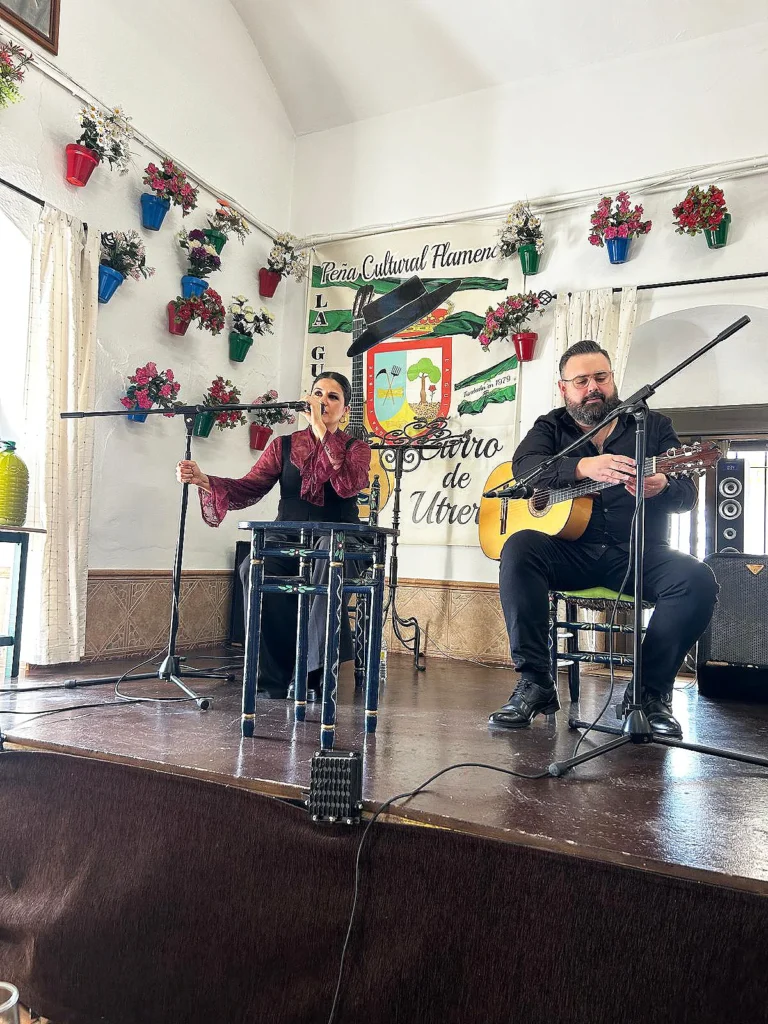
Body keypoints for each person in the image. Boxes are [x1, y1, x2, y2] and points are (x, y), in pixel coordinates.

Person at [490, 340, 718, 738]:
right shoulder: (550, 427)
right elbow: (524, 471)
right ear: (564, 388)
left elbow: (687, 496)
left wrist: (663, 485)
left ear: (612, 379)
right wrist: (582, 466)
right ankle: (536, 683)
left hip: (639, 553)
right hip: (571, 553)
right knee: (519, 548)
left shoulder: (653, 426)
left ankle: (648, 695)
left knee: (697, 579)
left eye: (601, 377)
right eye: (581, 381)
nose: (592, 387)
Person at [176, 372, 371, 699]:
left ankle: (312, 671)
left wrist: (320, 429)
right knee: (252, 567)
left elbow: (348, 484)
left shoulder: (357, 449)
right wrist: (203, 479)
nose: (323, 401)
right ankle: (273, 675)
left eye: (332, 397)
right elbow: (249, 487)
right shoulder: (283, 445)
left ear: (346, 410)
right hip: (290, 540)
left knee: (327, 555)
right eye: (317, 394)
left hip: (340, 539)